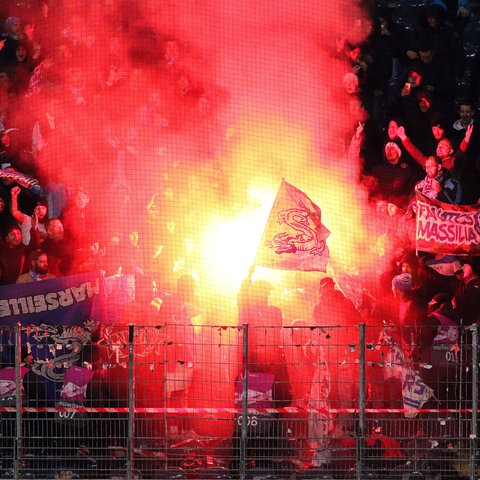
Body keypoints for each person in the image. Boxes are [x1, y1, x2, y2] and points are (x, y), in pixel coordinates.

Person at [156, 274, 201, 436]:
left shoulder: (188, 307)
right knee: (174, 393)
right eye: (192, 287)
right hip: (174, 358)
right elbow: (159, 328)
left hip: (187, 357)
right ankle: (172, 430)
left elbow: (190, 333)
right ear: (185, 287)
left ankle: (183, 430)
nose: (194, 291)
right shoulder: (170, 303)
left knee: (183, 393)